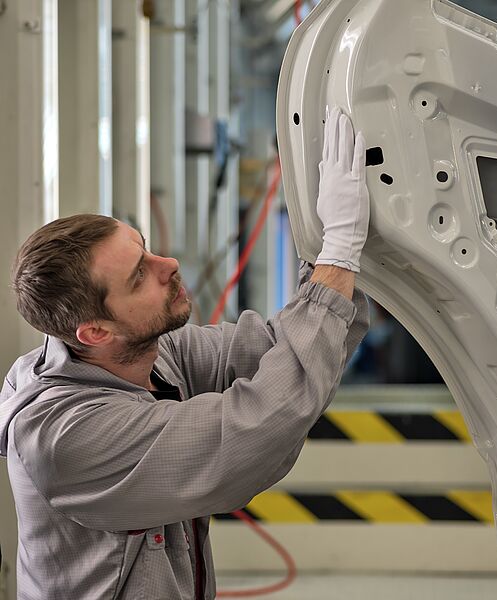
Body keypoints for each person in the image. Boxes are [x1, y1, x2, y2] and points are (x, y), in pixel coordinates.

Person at [0, 106, 370, 599]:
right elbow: (255, 430)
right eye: (138, 275)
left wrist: (328, 242)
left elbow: (294, 349)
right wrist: (338, 250)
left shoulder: (156, 354)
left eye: (146, 247)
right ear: (94, 332)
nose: (167, 263)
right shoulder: (65, 436)